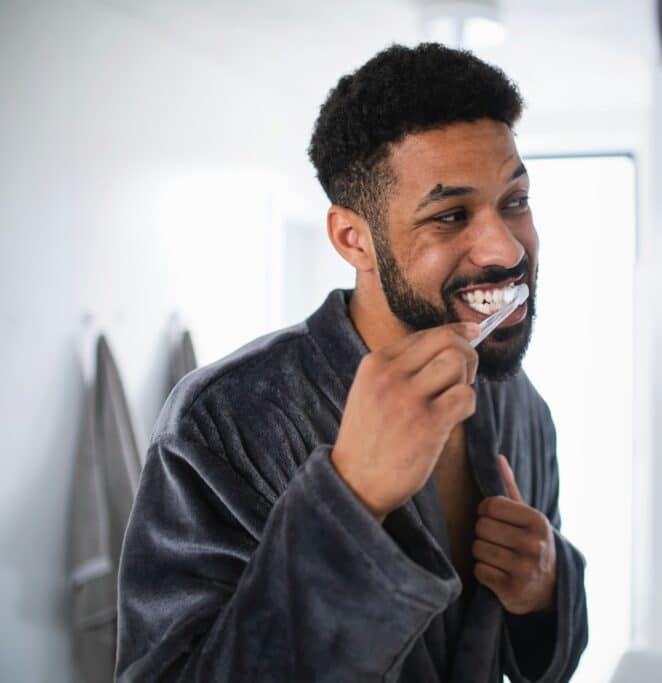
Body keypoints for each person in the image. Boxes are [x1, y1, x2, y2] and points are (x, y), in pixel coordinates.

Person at [115, 43, 588, 682]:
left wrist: (546, 591)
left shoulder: (520, 404)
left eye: (515, 199)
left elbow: (537, 655)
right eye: (450, 215)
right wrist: (350, 501)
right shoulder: (222, 421)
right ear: (352, 238)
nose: (505, 248)